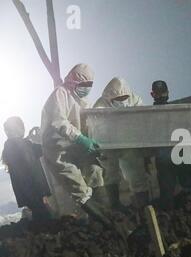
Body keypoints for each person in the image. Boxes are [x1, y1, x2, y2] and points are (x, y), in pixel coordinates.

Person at [41, 64, 110, 226]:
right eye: (84, 85)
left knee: (95, 172)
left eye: (89, 86)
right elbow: (58, 121)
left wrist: (94, 141)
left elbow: (91, 122)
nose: (86, 89)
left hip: (76, 147)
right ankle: (106, 223)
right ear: (73, 80)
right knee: (78, 187)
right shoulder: (61, 93)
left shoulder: (83, 100)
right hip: (58, 151)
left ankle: (103, 214)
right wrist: (80, 138)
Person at [93, 77, 150, 211]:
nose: (122, 101)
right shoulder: (100, 104)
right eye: (118, 99)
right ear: (110, 97)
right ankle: (115, 206)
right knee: (110, 173)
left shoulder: (135, 99)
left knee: (136, 174)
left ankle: (143, 206)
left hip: (129, 141)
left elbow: (143, 119)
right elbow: (95, 124)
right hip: (108, 143)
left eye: (124, 98)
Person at [152, 80, 191, 210]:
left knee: (190, 189)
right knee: (167, 194)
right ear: (152, 94)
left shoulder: (177, 111)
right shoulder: (148, 114)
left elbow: (189, 132)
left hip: (182, 154)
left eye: (163, 92)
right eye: (158, 93)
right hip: (163, 158)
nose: (161, 96)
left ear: (168, 93)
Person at [2, 117, 52, 222]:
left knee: (39, 212)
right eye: (21, 126)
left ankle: (42, 231)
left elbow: (36, 150)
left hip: (29, 189)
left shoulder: (13, 144)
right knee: (43, 214)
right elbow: (37, 151)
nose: (23, 129)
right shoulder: (15, 144)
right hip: (33, 187)